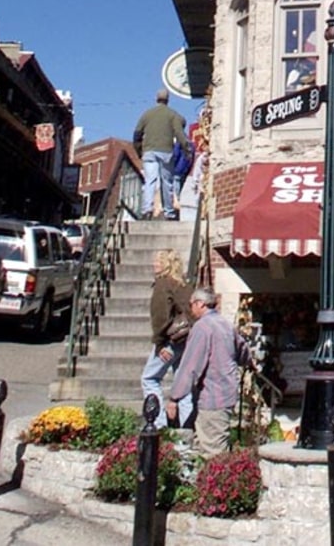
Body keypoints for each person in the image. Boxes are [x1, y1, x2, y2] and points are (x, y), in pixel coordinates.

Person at [165, 287, 254, 457]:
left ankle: (218, 484)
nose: (190, 309)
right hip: (227, 396)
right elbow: (244, 350)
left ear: (201, 304)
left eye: (191, 305)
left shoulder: (202, 328)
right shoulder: (225, 324)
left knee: (212, 455)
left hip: (213, 397)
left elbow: (190, 366)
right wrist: (248, 362)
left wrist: (174, 397)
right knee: (213, 448)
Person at [140, 249, 194, 429]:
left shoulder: (163, 284)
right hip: (185, 340)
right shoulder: (184, 284)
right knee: (183, 385)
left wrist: (159, 343)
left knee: (149, 378)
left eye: (157, 261)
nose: (153, 264)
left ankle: (158, 424)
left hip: (170, 341)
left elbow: (160, 316)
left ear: (165, 265)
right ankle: (186, 429)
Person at [133, 88, 191, 220]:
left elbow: (137, 133)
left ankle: (146, 209)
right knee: (167, 182)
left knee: (150, 181)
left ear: (156, 98)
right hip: (166, 152)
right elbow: (180, 134)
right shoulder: (172, 115)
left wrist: (139, 150)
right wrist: (187, 150)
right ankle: (169, 212)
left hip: (148, 151)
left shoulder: (147, 114)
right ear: (168, 99)